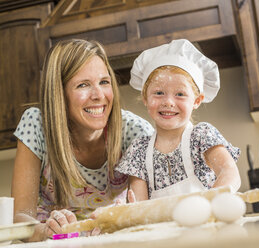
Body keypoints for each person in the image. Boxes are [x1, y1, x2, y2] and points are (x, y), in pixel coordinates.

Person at [11, 39, 154, 241]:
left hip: (113, 239)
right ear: (59, 94)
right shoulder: (36, 125)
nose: (99, 95)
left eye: (104, 82)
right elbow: (21, 218)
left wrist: (126, 224)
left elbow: (146, 212)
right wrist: (47, 231)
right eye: (83, 85)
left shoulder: (135, 132)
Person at [115, 39, 241, 201]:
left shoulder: (202, 136)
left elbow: (230, 173)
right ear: (145, 98)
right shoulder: (139, 150)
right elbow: (140, 205)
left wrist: (208, 204)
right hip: (163, 227)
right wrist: (131, 212)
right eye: (159, 93)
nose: (168, 102)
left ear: (196, 101)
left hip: (209, 222)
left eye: (180, 94)